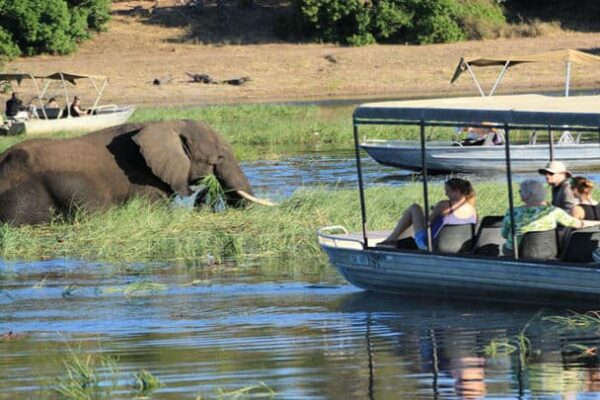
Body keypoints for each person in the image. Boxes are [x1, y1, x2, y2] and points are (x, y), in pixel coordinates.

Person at [501, 179, 600, 256]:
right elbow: (578, 224)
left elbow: (504, 234)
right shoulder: (553, 211)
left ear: (527, 194)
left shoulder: (513, 212)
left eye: (520, 191)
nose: (519, 193)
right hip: (548, 251)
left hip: (517, 251)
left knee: (504, 247)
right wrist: (597, 223)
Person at [381, 178, 477, 250]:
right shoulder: (473, 210)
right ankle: (392, 239)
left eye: (448, 191)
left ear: (457, 191)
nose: (446, 194)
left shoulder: (444, 204)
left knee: (415, 208)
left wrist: (433, 212)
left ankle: (391, 239)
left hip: (429, 245)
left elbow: (427, 223)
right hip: (457, 247)